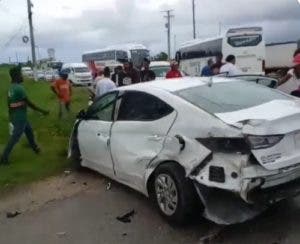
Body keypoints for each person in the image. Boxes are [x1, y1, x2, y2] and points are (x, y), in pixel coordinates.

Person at [0, 66, 49, 165]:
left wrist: (11, 117)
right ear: (17, 76)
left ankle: (36, 150)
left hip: (17, 116)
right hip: (20, 118)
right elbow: (29, 103)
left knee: (29, 133)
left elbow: (9, 104)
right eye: (21, 74)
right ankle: (4, 158)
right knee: (15, 137)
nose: (22, 76)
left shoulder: (11, 88)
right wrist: (42, 111)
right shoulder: (19, 88)